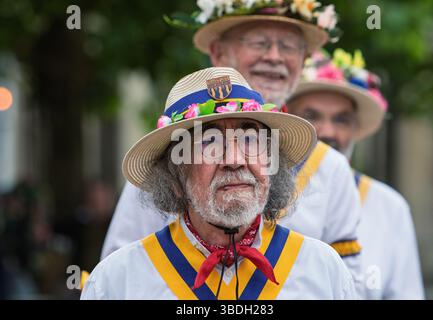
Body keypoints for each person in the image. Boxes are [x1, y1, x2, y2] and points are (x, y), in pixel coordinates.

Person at [101, 0, 363, 289]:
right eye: (258, 42)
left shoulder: (332, 177)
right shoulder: (163, 160)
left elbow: (349, 284)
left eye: (288, 46)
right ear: (218, 51)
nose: (274, 56)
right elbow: (128, 278)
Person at [81, 67, 357, 300]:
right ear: (174, 178)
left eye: (250, 138)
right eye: (209, 142)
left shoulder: (324, 270)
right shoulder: (117, 281)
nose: (235, 160)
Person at [287, 48, 424, 299]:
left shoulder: (389, 206)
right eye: (311, 116)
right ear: (288, 121)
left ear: (356, 128)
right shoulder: (263, 199)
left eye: (341, 120)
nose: (327, 131)